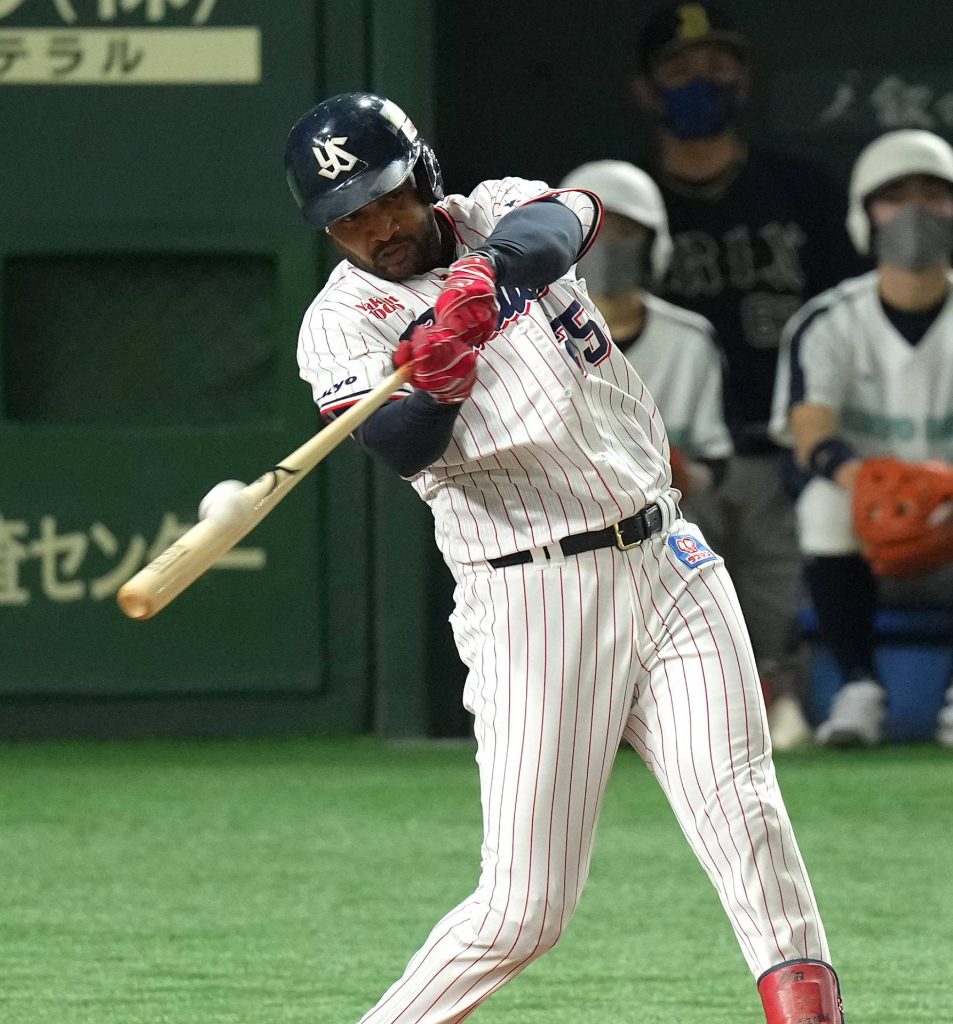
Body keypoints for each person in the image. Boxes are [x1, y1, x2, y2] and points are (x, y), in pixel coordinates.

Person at [285, 90, 845, 1024]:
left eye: (386, 198)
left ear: (421, 177)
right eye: (349, 218)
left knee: (745, 818)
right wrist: (436, 379)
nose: (375, 228)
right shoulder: (343, 325)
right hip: (532, 600)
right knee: (523, 913)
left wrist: (488, 281)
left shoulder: (494, 211)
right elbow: (400, 444)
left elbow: (571, 218)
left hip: (666, 557)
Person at [631, 0, 863, 749]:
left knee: (772, 610)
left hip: (775, 446)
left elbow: (846, 317)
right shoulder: (628, 208)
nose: (701, 81)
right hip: (663, 460)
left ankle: (786, 701)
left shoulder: (802, 191)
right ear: (645, 89)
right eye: (679, 69)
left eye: (718, 65)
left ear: (745, 78)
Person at [771, 128, 953, 747]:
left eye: (935, 195)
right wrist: (883, 486)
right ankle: (858, 685)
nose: (916, 212)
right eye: (895, 196)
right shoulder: (828, 321)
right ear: (865, 213)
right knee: (822, 501)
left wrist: (937, 491)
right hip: (871, 513)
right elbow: (810, 434)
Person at [558, 159, 732, 516]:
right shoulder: (533, 332)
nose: (606, 246)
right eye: (594, 233)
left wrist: (685, 478)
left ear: (654, 244)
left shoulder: (689, 340)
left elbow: (717, 460)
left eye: (625, 232)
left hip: (665, 533)